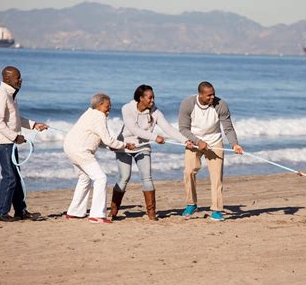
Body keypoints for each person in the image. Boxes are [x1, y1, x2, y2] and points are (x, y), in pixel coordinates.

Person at [110, 84, 192, 221]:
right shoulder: (127, 108)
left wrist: (185, 141)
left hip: (143, 147)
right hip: (125, 146)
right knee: (124, 177)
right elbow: (134, 129)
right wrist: (155, 137)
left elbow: (168, 128)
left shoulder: (155, 112)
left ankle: (151, 213)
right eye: (149, 98)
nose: (152, 100)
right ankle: (113, 211)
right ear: (140, 98)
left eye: (153, 97)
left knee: (147, 177)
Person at [63, 93, 135, 224]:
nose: (109, 109)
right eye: (107, 106)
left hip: (70, 147)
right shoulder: (99, 116)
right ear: (99, 105)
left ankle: (75, 212)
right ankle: (97, 215)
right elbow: (107, 139)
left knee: (84, 178)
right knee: (101, 178)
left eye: (110, 106)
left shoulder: (90, 113)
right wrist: (125, 145)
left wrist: (113, 147)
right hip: (81, 151)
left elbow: (99, 138)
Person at [0, 66, 48, 222]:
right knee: (10, 178)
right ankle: (0, 213)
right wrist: (15, 137)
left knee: (15, 177)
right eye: (17, 77)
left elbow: (15, 119)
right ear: (7, 79)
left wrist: (34, 125)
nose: (20, 80)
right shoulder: (2, 94)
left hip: (10, 142)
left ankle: (20, 211)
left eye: (20, 77)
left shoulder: (11, 94)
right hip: (3, 142)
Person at [178, 81, 244, 221]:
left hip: (214, 142)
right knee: (189, 172)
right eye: (209, 95)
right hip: (194, 142)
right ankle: (191, 204)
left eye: (213, 94)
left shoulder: (221, 105)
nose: (212, 97)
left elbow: (228, 128)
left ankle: (217, 209)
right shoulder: (188, 103)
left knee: (216, 177)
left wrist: (234, 144)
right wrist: (197, 142)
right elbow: (183, 128)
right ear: (200, 94)